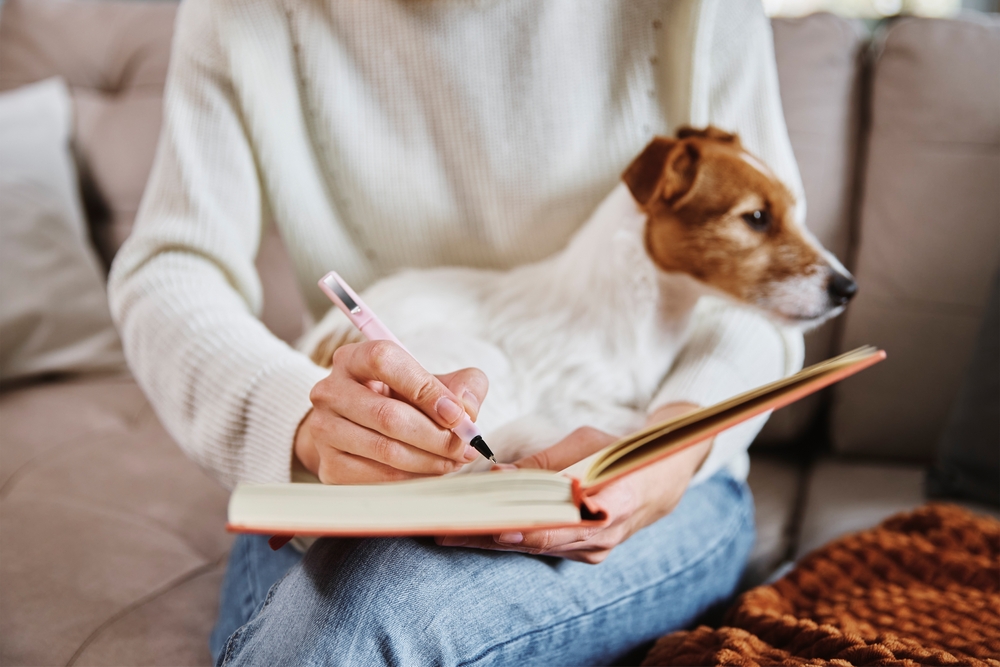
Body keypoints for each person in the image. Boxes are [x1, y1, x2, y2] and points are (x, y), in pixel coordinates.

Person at [108, 0, 805, 664]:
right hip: (344, 481)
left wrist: (674, 443)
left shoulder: (702, 13)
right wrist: (300, 420)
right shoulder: (244, 15)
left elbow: (767, 290)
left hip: (659, 477)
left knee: (357, 625)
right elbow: (170, 269)